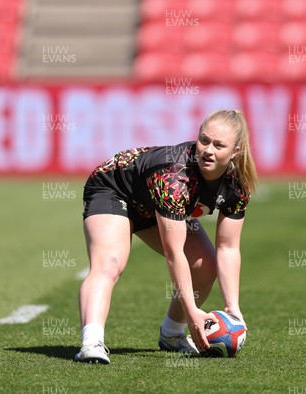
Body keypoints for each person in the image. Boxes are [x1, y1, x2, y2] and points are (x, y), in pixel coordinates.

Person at [75, 109, 257, 364]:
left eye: (219, 145)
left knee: (205, 265)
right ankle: (91, 343)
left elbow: (227, 248)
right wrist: (192, 312)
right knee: (110, 263)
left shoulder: (238, 184)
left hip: (154, 206)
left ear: (236, 151)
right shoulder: (175, 178)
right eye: (204, 140)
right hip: (114, 189)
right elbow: (174, 254)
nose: (208, 150)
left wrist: (233, 307)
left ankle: (172, 335)